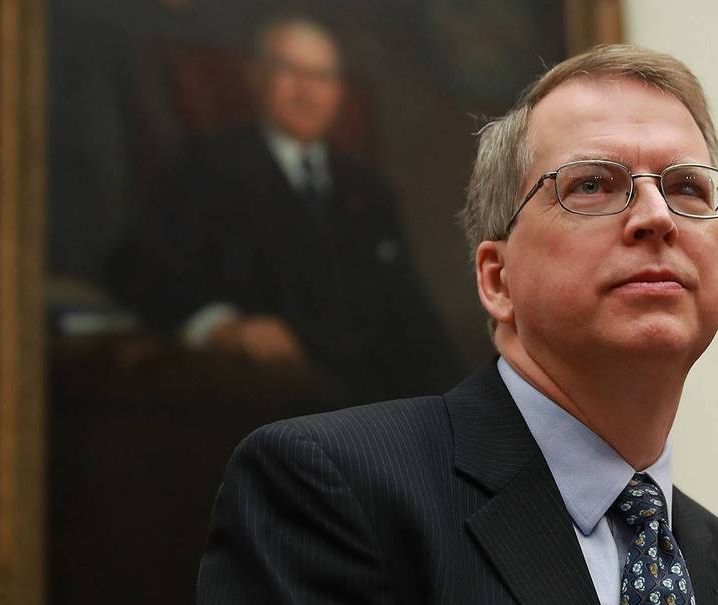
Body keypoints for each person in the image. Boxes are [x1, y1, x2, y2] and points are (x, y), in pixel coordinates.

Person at [185, 44, 718, 605]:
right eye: (592, 184)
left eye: (685, 187)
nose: (655, 216)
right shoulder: (333, 491)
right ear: (496, 278)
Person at [109, 16, 462, 405]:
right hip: (263, 398)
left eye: (323, 77)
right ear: (257, 77)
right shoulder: (205, 166)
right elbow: (138, 267)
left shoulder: (366, 188)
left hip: (371, 397)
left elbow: (410, 311)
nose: (308, 92)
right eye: (291, 72)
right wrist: (223, 325)